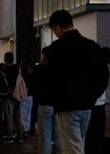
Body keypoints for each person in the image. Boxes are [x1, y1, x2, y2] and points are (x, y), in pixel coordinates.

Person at [47, 10, 109, 154]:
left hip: (66, 106)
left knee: (72, 148)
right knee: (79, 144)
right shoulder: (91, 46)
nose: (55, 33)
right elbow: (103, 75)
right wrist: (93, 96)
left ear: (58, 27)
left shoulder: (56, 49)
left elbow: (51, 78)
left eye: (54, 30)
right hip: (87, 105)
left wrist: (56, 99)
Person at [34, 46, 58, 154]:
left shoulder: (40, 69)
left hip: (44, 104)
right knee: (58, 135)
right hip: (58, 106)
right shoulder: (60, 69)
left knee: (45, 137)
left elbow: (34, 83)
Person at [1, 52, 22, 143]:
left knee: (9, 117)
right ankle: (20, 135)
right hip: (18, 95)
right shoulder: (17, 69)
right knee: (18, 116)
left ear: (5, 59)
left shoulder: (6, 71)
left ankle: (10, 136)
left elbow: (5, 84)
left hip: (9, 96)